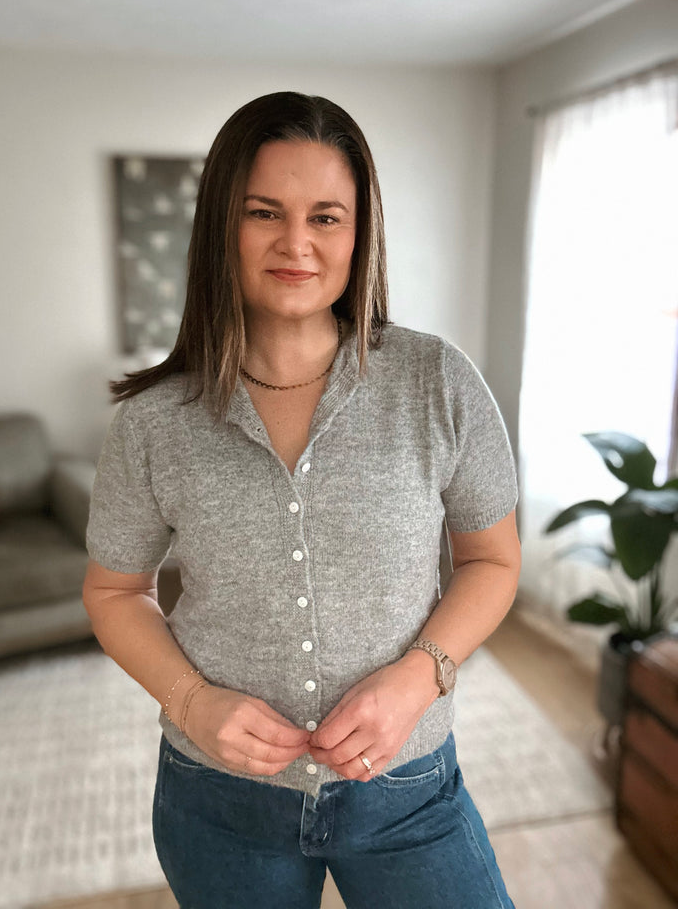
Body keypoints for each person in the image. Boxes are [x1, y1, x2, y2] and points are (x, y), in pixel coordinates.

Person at [83, 91, 521, 909]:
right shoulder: (153, 422)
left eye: (326, 217)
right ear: (223, 225)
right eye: (264, 213)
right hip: (219, 805)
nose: (296, 243)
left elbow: (492, 561)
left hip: (408, 791)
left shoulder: (437, 383)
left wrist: (419, 678)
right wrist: (191, 701)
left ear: (360, 234)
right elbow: (113, 591)